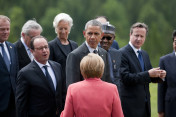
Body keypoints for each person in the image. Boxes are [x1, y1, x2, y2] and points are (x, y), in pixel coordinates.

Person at [119, 22, 166, 117]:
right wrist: (148, 74)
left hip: (145, 105)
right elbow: (126, 78)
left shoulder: (144, 54)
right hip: (130, 106)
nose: (139, 39)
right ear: (130, 35)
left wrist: (159, 75)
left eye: (142, 36)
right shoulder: (122, 53)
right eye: (136, 35)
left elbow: (147, 76)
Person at [16, 36, 65, 117]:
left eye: (46, 47)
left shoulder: (57, 67)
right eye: (40, 48)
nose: (44, 51)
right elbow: (21, 104)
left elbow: (62, 93)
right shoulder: (25, 73)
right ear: (32, 51)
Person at [66, 19, 111, 88]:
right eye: (90, 33)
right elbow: (72, 86)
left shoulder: (104, 53)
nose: (92, 37)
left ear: (101, 35)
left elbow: (107, 80)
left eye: (96, 34)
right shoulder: (75, 55)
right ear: (84, 34)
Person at [49, 13, 78, 84]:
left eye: (65, 28)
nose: (63, 31)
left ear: (69, 28)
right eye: (60, 28)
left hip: (74, 83)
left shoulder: (75, 45)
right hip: (59, 84)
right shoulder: (50, 45)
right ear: (56, 29)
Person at [0, 15, 19, 117]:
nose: (6, 32)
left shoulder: (12, 47)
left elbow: (15, 73)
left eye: (8, 29)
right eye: (2, 29)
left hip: (13, 104)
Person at [158, 30, 176, 117]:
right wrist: (160, 110)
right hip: (171, 106)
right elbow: (161, 87)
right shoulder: (164, 60)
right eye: (175, 42)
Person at [100, 23, 122, 90]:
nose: (105, 41)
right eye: (102, 37)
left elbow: (118, 76)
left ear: (113, 38)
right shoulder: (93, 53)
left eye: (109, 38)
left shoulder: (117, 53)